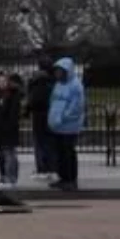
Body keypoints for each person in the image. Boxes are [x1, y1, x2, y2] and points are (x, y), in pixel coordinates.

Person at [48, 58, 85, 192]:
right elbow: (53, 101)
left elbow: (76, 107)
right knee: (60, 153)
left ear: (65, 71)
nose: (56, 74)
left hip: (69, 126)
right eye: (55, 71)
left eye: (59, 71)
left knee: (68, 153)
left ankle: (71, 179)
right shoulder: (58, 84)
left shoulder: (76, 85)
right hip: (57, 125)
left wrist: (62, 117)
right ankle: (63, 178)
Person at [26, 58, 57, 179]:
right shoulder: (53, 82)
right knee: (50, 143)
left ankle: (42, 168)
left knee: (40, 143)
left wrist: (27, 110)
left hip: (38, 116)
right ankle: (52, 167)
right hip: (50, 114)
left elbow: (33, 100)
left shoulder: (35, 82)